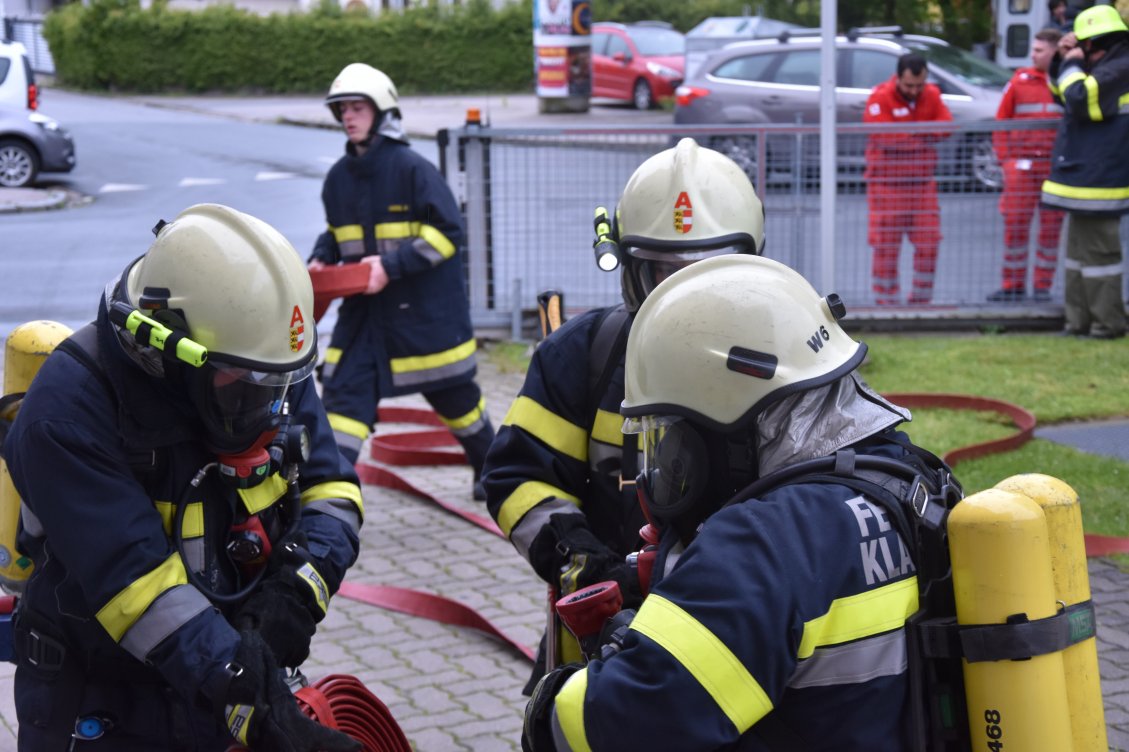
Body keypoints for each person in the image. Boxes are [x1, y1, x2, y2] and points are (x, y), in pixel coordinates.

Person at [521, 254, 955, 751]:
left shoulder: (760, 545)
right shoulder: (912, 479)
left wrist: (548, 704)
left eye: (672, 436)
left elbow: (614, 722)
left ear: (730, 426)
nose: (668, 463)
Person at [3, 204, 363, 751]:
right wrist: (256, 707)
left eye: (280, 387)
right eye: (244, 390)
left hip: (223, 666)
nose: (271, 413)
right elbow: (141, 589)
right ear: (165, 353)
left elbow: (333, 493)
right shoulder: (65, 416)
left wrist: (295, 592)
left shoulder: (260, 360)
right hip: (103, 698)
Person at [481, 137, 765, 691]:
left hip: (748, 637)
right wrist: (580, 561)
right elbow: (517, 477)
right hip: (601, 650)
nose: (685, 293)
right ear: (630, 270)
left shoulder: (792, 357)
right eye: (663, 271)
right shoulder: (581, 356)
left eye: (709, 270)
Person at [308, 62, 496, 496]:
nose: (349, 116)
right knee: (342, 399)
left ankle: (492, 471)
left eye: (358, 107)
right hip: (366, 321)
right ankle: (329, 497)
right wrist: (321, 257)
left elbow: (447, 233)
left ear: (381, 111)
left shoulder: (413, 169)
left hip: (421, 318)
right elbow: (339, 234)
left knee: (458, 402)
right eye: (343, 109)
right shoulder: (338, 179)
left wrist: (389, 268)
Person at [1041, 5, 1129, 339]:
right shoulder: (1104, 66)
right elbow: (1063, 95)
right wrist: (1062, 61)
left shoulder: (1120, 69)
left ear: (1094, 42)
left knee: (1101, 259)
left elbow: (1078, 98)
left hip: (1102, 182)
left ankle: (1107, 324)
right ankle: (1078, 322)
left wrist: (1074, 63)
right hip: (1086, 179)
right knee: (1079, 258)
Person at [864, 53, 954, 306]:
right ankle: (887, 305)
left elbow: (946, 126)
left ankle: (921, 304)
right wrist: (924, 134)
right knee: (886, 248)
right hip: (887, 186)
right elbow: (885, 137)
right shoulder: (880, 97)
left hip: (923, 185)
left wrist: (907, 134)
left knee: (929, 244)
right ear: (898, 78)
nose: (915, 91)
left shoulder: (932, 94)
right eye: (909, 86)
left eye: (919, 85)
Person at [988, 28, 1066, 303]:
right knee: (1016, 227)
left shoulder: (1067, 80)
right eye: (1033, 49)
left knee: (1050, 229)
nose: (1033, 54)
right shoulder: (1019, 80)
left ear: (1055, 52)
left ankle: (1042, 289)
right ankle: (1012, 286)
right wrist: (1006, 160)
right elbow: (1001, 122)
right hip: (1020, 168)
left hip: (1053, 169)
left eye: (1039, 50)